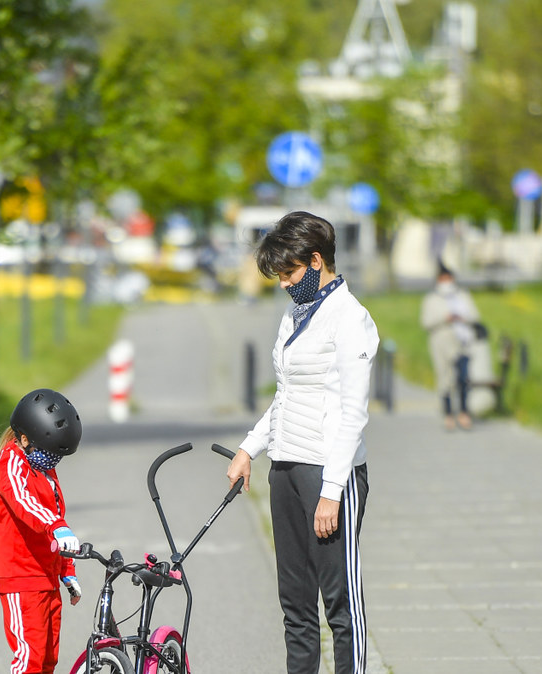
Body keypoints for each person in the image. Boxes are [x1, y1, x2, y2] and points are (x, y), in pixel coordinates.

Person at [226, 211, 379, 674]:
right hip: (286, 466)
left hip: (328, 473)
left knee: (340, 603)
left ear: (316, 261)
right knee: (295, 604)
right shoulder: (295, 315)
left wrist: (332, 491)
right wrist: (249, 447)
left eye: (288, 273)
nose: (283, 284)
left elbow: (354, 412)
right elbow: (287, 394)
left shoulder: (351, 319)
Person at [0, 388, 84, 674]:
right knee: (28, 659)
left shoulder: (43, 468)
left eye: (58, 458)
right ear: (25, 439)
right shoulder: (10, 464)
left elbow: (56, 515)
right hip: (22, 577)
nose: (53, 463)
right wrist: (57, 527)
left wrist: (67, 569)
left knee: (47, 660)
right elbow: (25, 504)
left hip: (47, 576)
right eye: (49, 455)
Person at [420, 260, 480, 431]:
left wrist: (462, 317)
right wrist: (444, 318)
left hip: (463, 342)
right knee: (445, 379)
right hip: (441, 343)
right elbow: (426, 322)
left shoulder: (462, 296)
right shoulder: (432, 299)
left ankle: (464, 412)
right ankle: (448, 414)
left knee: (463, 377)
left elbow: (474, 316)